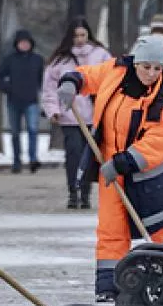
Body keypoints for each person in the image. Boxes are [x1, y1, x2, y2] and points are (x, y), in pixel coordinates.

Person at [57, 36, 163, 302]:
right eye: (146, 66)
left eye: (157, 68)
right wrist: (72, 82)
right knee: (111, 229)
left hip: (151, 173)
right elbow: (89, 76)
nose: (151, 74)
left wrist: (122, 162)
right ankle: (109, 287)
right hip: (112, 166)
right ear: (135, 63)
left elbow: (159, 141)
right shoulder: (115, 72)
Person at [42, 17, 111, 209]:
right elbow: (49, 88)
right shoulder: (60, 60)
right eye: (76, 35)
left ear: (88, 34)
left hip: (94, 115)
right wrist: (53, 110)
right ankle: (73, 191)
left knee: (89, 155)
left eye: (83, 35)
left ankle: (86, 193)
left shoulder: (101, 55)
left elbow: (111, 80)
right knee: (73, 154)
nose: (80, 39)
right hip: (69, 116)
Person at [0, 29, 45, 173]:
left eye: (26, 43)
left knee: (33, 130)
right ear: (17, 44)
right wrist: (8, 88)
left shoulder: (37, 60)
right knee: (15, 132)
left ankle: (33, 159)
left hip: (32, 101)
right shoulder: (10, 59)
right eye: (21, 43)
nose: (24, 45)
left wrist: (46, 99)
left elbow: (42, 81)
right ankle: (16, 161)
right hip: (13, 101)